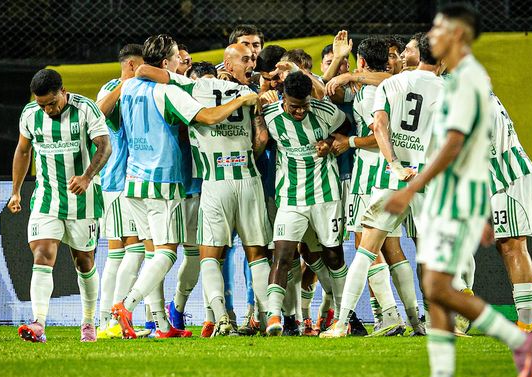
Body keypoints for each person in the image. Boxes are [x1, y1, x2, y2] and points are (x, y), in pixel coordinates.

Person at [386, 4, 532, 377]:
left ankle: (523, 333)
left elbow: (455, 146)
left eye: (438, 28)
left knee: (494, 256)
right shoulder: (453, 79)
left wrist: (411, 187)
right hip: (475, 187)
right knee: (436, 281)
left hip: (503, 179)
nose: (431, 35)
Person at [110, 34, 258, 339]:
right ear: (166, 62)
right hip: (162, 180)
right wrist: (241, 99)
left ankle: (162, 325)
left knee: (152, 253)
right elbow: (207, 117)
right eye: (179, 58)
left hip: (133, 182)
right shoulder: (168, 93)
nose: (182, 62)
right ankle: (125, 306)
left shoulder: (129, 88)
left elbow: (108, 115)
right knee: (166, 254)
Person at [321, 34, 443, 338]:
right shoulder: (442, 87)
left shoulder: (392, 84)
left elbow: (379, 128)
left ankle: (360, 319)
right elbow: (325, 90)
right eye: (394, 53)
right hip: (422, 175)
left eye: (403, 52)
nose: (399, 57)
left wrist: (354, 143)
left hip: (386, 174)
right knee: (413, 247)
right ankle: (416, 318)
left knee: (370, 247)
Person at [9, 68, 112, 343]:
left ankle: (89, 322)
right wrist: (16, 191)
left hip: (84, 200)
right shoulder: (31, 114)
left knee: (84, 262)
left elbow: (104, 146)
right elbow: (23, 150)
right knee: (42, 253)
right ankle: (38, 324)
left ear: (63, 92)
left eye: (52, 103)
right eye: (42, 104)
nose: (47, 109)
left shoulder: (86, 109)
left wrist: (87, 176)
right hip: (47, 198)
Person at [262, 72, 350, 336]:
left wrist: (332, 143)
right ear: (283, 99)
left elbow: (347, 131)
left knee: (333, 255)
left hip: (326, 194)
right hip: (290, 196)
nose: (299, 111)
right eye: (293, 106)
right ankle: (273, 315)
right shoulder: (270, 115)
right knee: (283, 254)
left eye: (304, 105)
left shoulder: (325, 111)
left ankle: (344, 315)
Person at [95, 44, 144, 339]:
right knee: (128, 251)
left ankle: (113, 320)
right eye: (139, 67)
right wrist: (125, 84)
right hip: (117, 182)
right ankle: (109, 318)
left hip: (132, 180)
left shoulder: (136, 88)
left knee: (126, 251)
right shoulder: (113, 88)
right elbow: (100, 112)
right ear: (129, 66)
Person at [488, 92, 532, 333]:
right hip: (500, 178)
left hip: (508, 177)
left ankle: (527, 323)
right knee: (506, 245)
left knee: (514, 246)